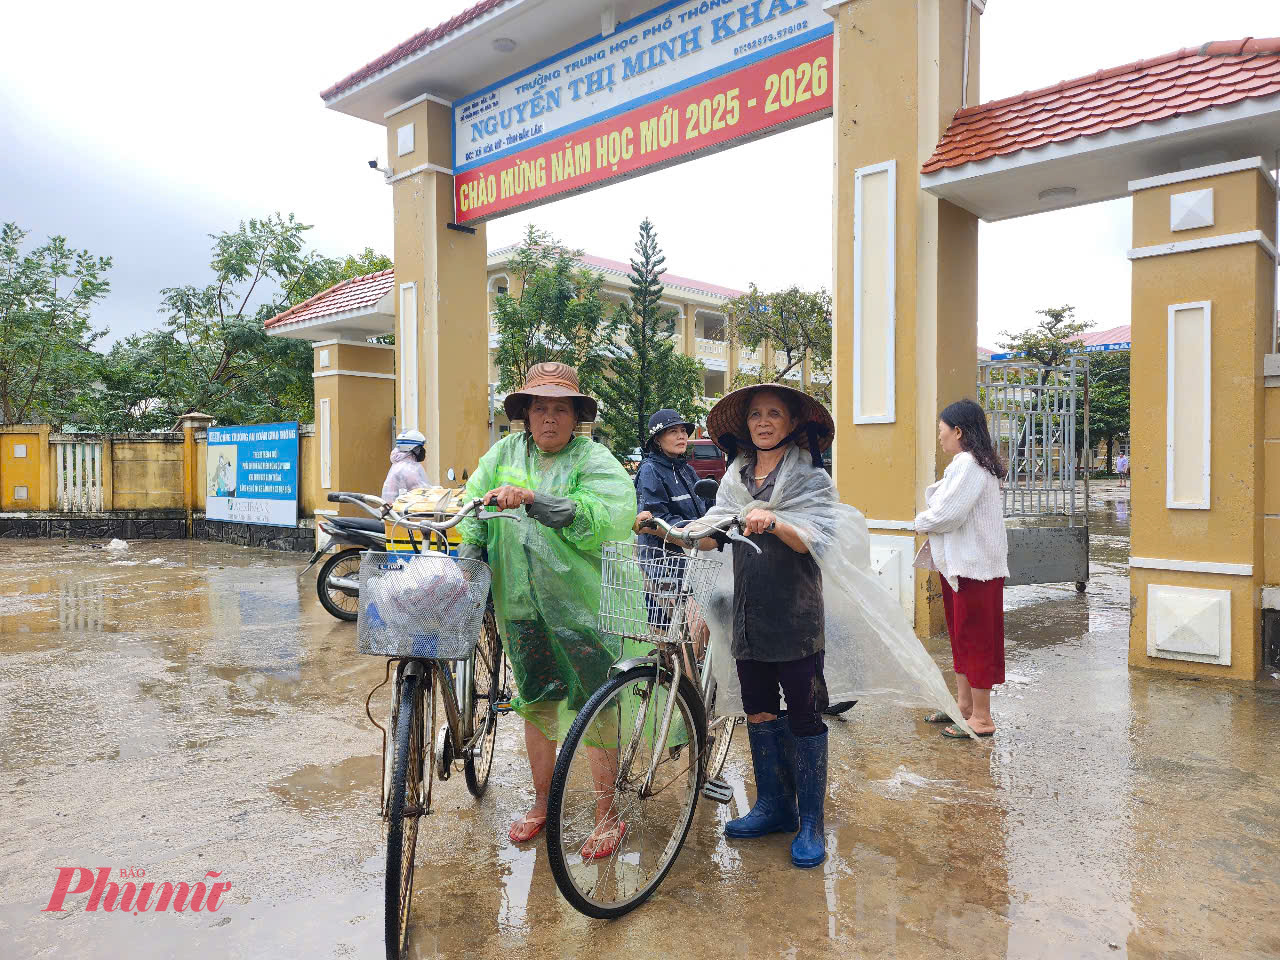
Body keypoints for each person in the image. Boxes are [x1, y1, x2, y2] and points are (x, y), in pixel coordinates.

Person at [456, 363, 636, 859]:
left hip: (583, 607)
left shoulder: (594, 459)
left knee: (598, 708)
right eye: (540, 408)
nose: (549, 418)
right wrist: (467, 564)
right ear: (526, 415)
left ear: (576, 417)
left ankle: (607, 814)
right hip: (522, 606)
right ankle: (541, 805)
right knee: (535, 701)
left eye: (560, 409)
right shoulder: (504, 454)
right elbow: (474, 506)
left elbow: (605, 514)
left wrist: (537, 499)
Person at [695, 385, 836, 869]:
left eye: (774, 414)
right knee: (758, 712)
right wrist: (672, 531)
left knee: (803, 715)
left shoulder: (811, 479)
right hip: (748, 616)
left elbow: (816, 541)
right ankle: (774, 805)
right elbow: (715, 534)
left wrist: (773, 521)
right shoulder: (734, 478)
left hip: (795, 617)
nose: (763, 421)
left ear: (793, 423)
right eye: (756, 414)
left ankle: (810, 821)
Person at [912, 399, 1010, 740]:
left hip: (975, 568)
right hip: (961, 566)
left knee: (977, 640)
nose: (939, 437)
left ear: (958, 431)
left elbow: (947, 514)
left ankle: (981, 717)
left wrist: (918, 522)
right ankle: (964, 708)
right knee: (962, 638)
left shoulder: (969, 464)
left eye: (942, 430)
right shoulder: (968, 463)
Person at [382, 429, 432, 503]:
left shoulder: (398, 464)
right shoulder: (409, 469)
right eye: (420, 447)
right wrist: (436, 491)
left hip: (394, 510)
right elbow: (421, 492)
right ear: (412, 448)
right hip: (403, 512)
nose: (422, 450)